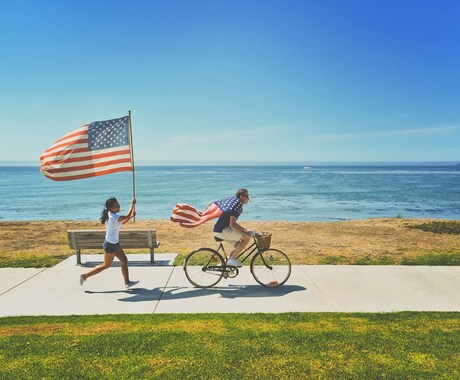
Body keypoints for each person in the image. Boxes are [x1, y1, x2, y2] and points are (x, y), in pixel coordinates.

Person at [80, 197, 138, 288]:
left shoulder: (112, 214)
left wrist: (131, 217)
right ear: (110, 208)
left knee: (124, 261)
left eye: (118, 204)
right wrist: (132, 204)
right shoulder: (113, 216)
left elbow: (121, 223)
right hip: (110, 245)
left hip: (115, 243)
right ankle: (84, 276)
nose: (118, 206)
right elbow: (125, 216)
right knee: (106, 265)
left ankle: (127, 282)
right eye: (116, 206)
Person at [213, 188, 251, 267]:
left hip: (220, 230)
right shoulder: (236, 206)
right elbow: (232, 225)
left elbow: (233, 224)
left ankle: (225, 263)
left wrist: (244, 230)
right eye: (247, 196)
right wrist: (245, 233)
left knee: (239, 246)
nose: (248, 198)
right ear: (241, 197)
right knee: (246, 238)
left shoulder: (235, 203)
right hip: (222, 231)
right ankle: (231, 260)